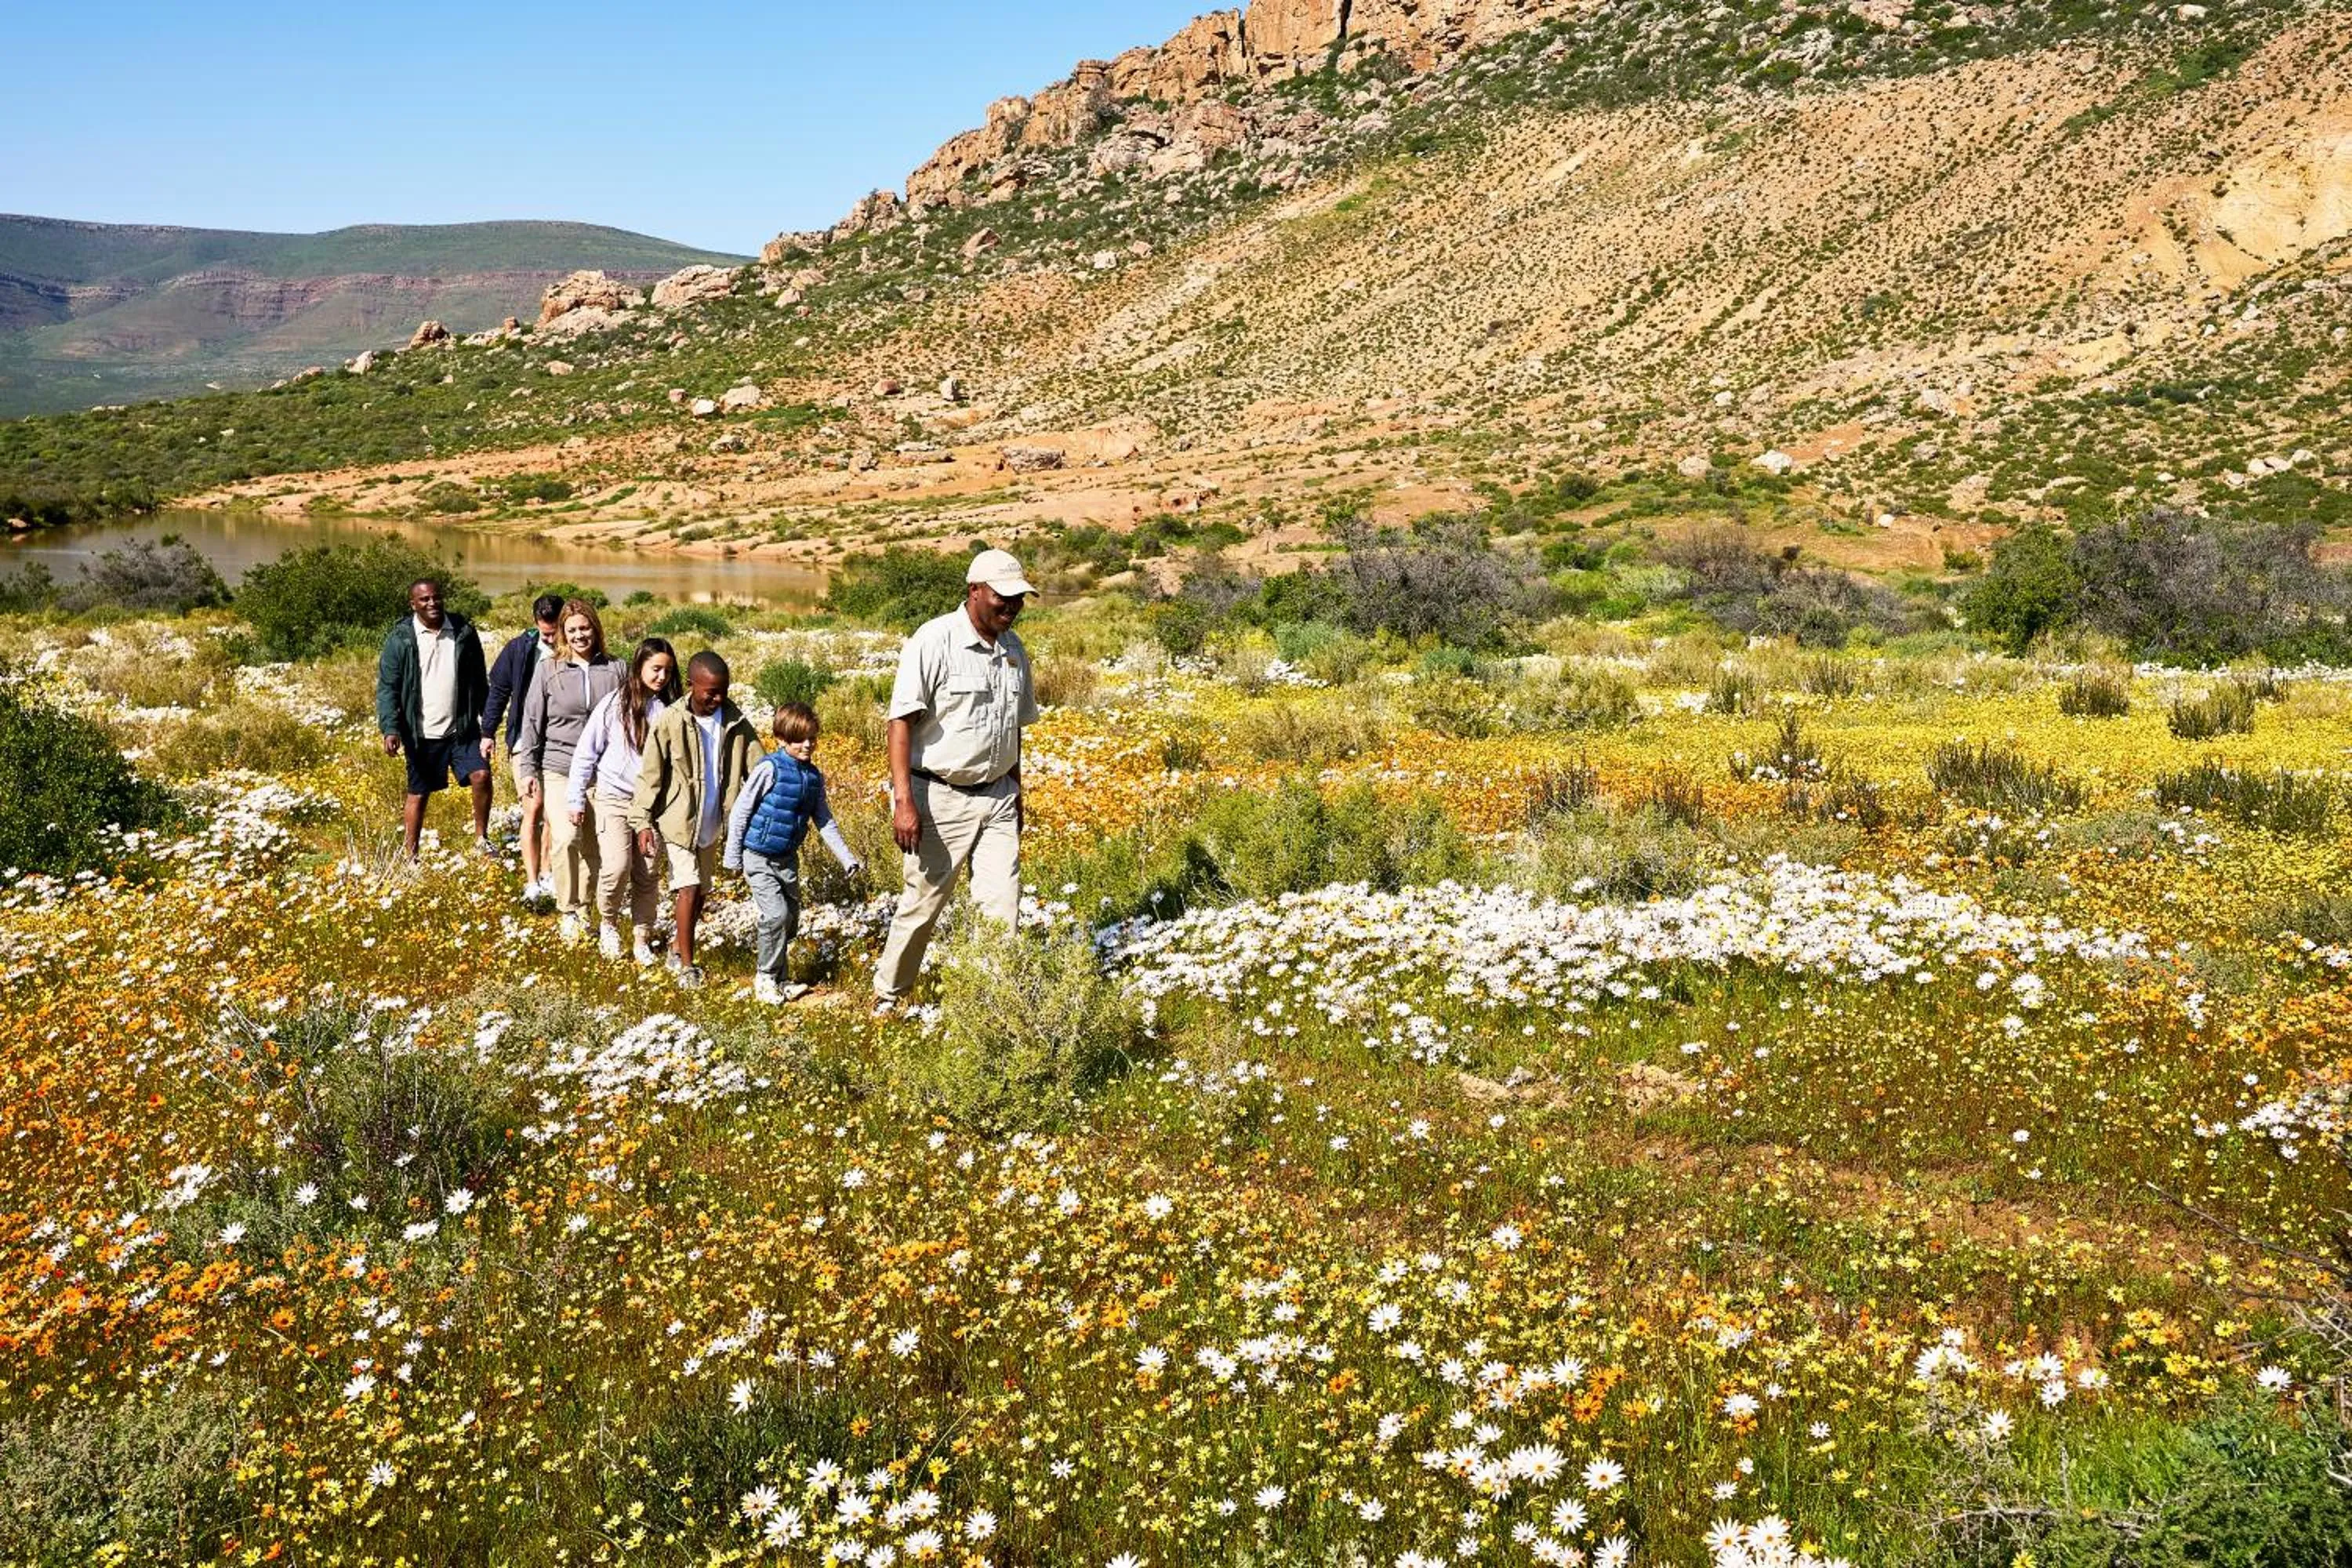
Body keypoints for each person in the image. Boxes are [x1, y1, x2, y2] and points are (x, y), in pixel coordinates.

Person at [871, 548, 1040, 1011]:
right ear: (975, 591)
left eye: (1018, 600)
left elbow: (1014, 731)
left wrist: (1018, 791)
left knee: (1002, 907)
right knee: (923, 904)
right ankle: (890, 993)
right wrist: (903, 801)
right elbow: (900, 724)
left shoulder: (1015, 651)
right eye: (1003, 599)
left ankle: (992, 1006)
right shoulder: (934, 641)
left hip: (1000, 796)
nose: (1012, 608)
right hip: (940, 797)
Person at [627, 650, 759, 989]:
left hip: (713, 820)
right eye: (710, 692)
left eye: (723, 691)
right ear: (690, 685)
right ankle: (688, 966)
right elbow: (650, 776)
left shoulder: (736, 721)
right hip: (679, 821)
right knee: (687, 888)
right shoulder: (670, 721)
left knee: (701, 891)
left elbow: (758, 767)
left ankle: (675, 946)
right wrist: (641, 821)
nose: (717, 698)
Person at [724, 702, 864, 1004]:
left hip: (787, 859)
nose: (808, 744)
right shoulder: (769, 768)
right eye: (800, 739)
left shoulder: (813, 777)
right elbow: (741, 810)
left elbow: (824, 820)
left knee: (790, 920)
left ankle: (781, 979)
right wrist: (733, 856)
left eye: (812, 737)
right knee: (776, 915)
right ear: (781, 739)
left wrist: (847, 857)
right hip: (758, 855)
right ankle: (765, 978)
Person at [514, 600, 624, 946]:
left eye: (585, 628)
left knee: (595, 845)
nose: (580, 636)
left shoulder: (617, 669)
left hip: (602, 771)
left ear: (596, 629)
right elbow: (531, 721)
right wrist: (529, 767)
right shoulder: (549, 669)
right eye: (572, 630)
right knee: (565, 838)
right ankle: (569, 910)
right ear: (562, 633)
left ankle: (587, 908)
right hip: (559, 766)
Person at [571, 637, 680, 964]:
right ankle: (608, 923)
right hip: (613, 799)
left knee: (647, 872)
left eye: (667, 671)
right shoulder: (614, 704)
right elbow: (586, 752)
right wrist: (576, 798)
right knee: (616, 867)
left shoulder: (669, 710)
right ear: (639, 667)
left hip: (650, 807)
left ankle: (641, 937)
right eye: (655, 669)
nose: (661, 677)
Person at [375, 577, 493, 862]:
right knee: (419, 793)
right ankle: (410, 856)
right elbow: (388, 686)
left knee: (481, 775)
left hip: (462, 728)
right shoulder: (401, 639)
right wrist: (390, 729)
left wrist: (487, 724)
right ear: (413, 604)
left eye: (436, 597)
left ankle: (481, 838)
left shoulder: (463, 631)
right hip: (421, 733)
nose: (432, 603)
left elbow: (479, 679)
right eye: (425, 599)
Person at [483, 593, 564, 902]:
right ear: (535, 624)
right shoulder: (519, 649)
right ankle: (532, 880)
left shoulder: (574, 651)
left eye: (555, 631)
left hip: (559, 741)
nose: (551, 638)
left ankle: (548, 871)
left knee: (554, 811)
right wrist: (488, 731)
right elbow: (499, 692)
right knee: (533, 808)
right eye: (546, 632)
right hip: (523, 740)